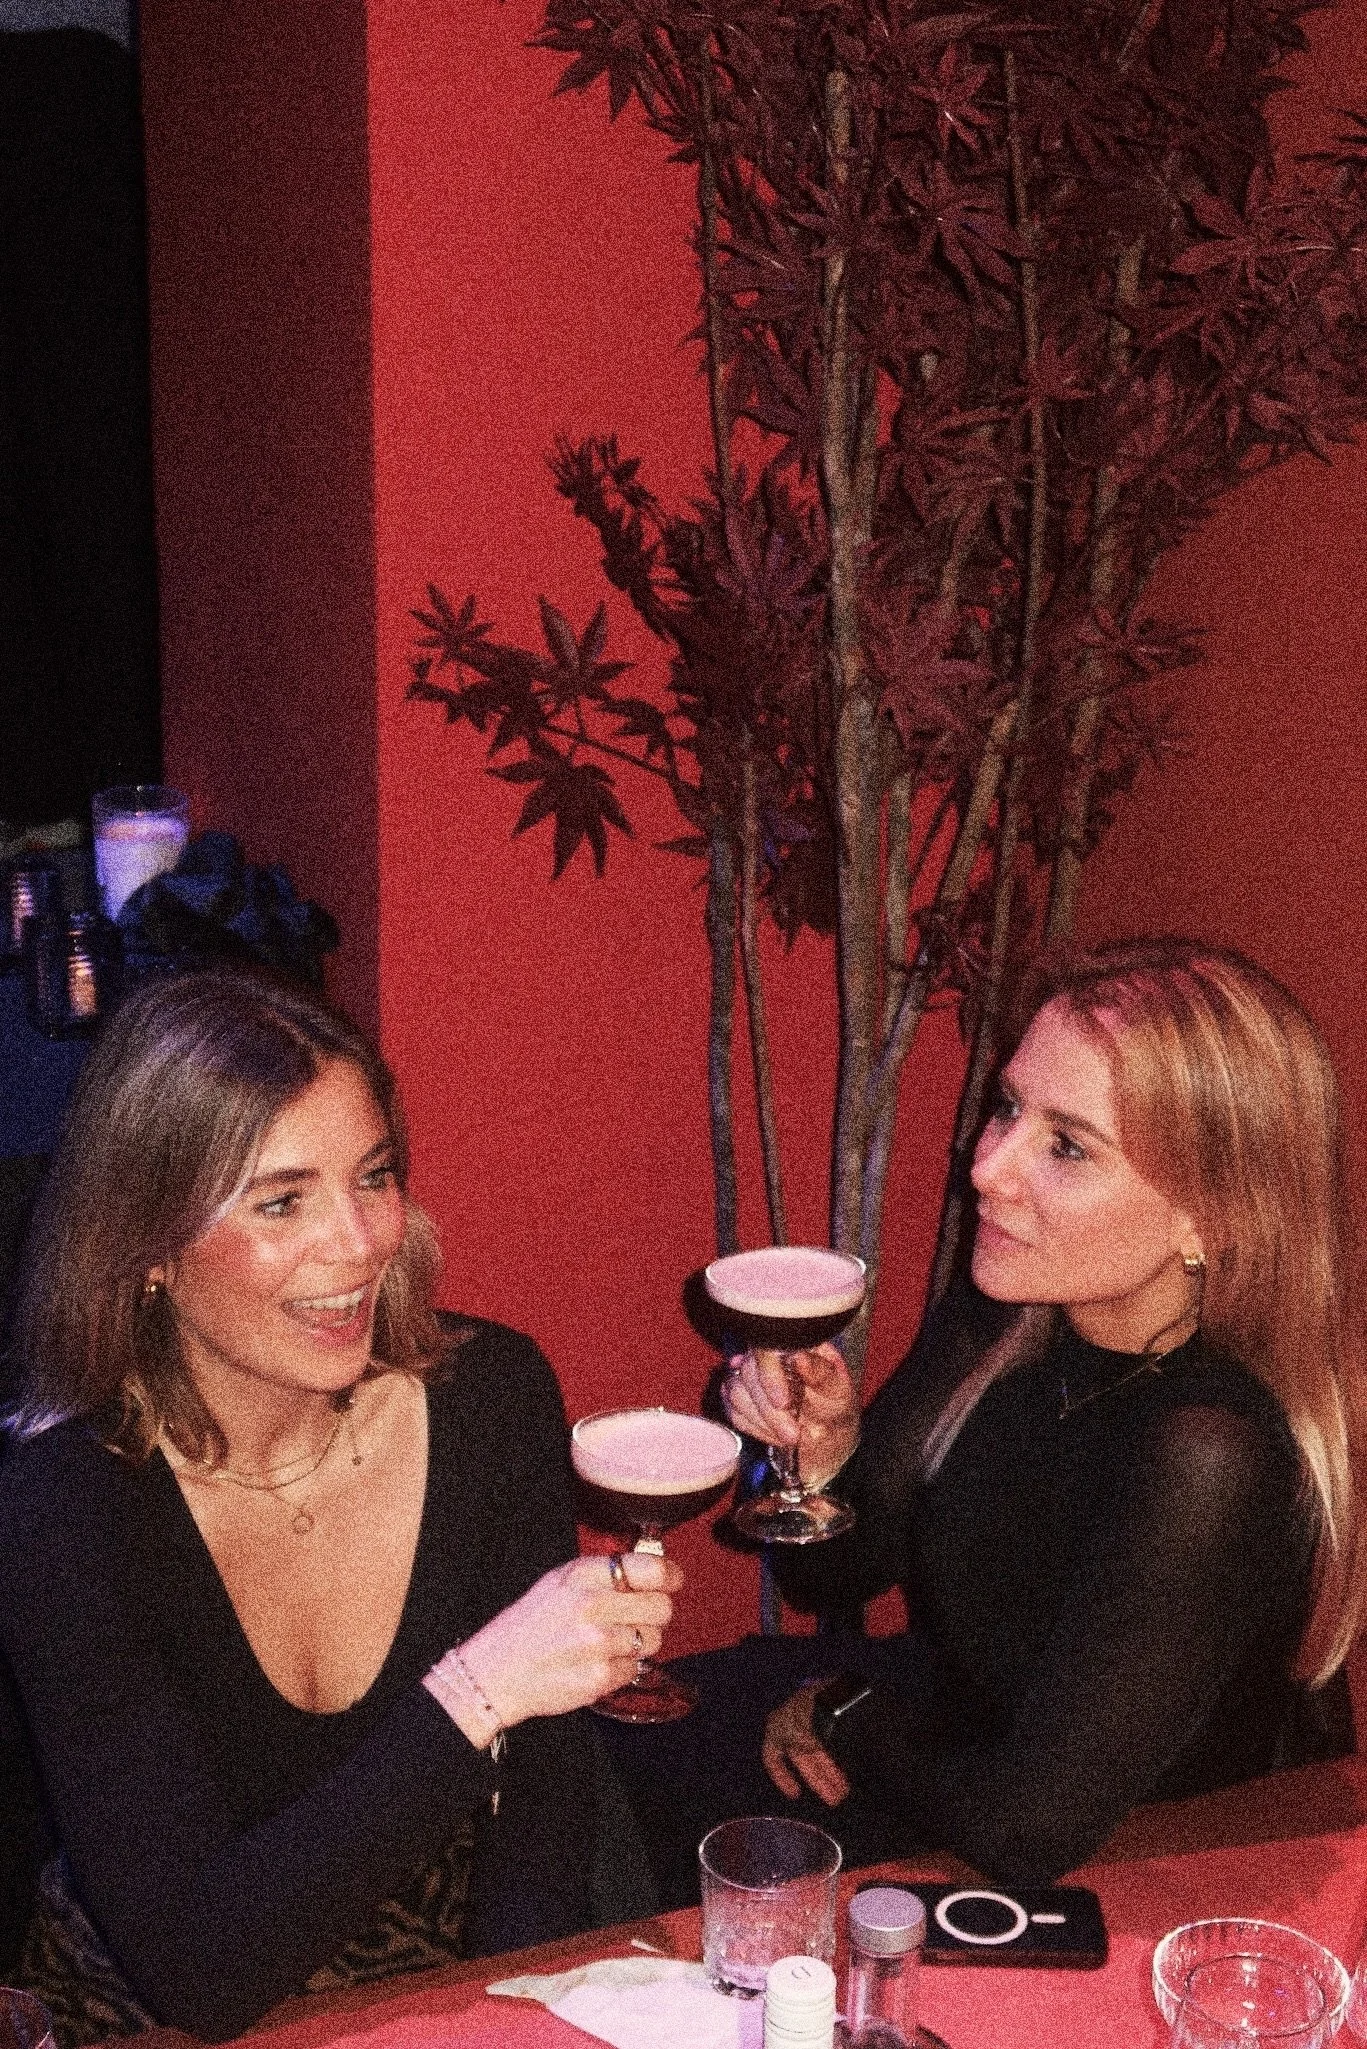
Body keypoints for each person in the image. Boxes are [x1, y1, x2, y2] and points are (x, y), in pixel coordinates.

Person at [605, 938, 1367, 1902]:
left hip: (1134, 1871)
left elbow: (1030, 1826)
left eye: (1067, 1145)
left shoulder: (1209, 1448)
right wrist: (819, 1453)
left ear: (1205, 1218)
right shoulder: (1010, 1315)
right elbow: (832, 1572)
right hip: (954, 1744)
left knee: (665, 1840)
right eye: (1007, 1108)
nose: (989, 1168)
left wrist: (842, 1709)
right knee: (603, 1752)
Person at [0, 969, 677, 2045]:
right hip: (143, 2009)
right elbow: (202, 1970)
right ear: (147, 1253)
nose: (360, 1242)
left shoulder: (489, 1397)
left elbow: (544, 1809)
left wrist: (506, 2010)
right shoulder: (67, 1507)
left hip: (437, 1978)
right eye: (281, 1201)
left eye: (373, 1177)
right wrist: (476, 1689)